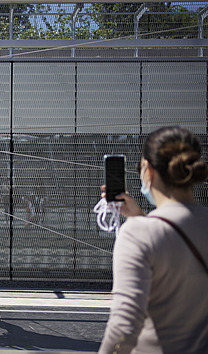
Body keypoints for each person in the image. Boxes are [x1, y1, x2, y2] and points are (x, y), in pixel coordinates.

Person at [99, 126, 208, 354]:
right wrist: (140, 217)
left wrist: (140, 222)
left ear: (147, 170)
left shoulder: (138, 234)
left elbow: (124, 327)